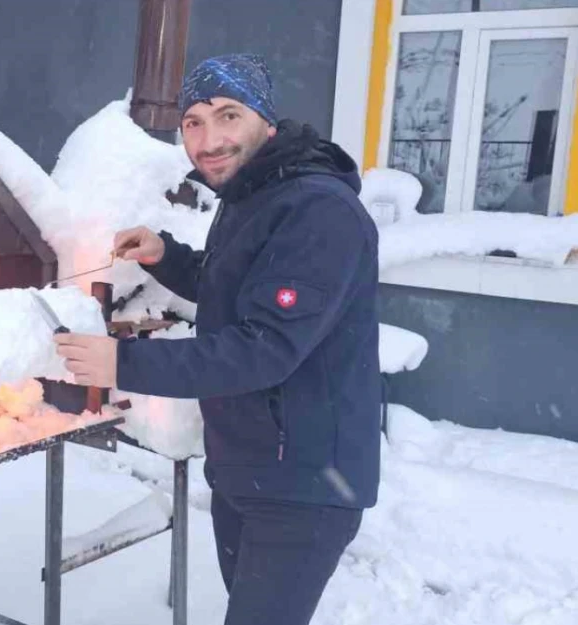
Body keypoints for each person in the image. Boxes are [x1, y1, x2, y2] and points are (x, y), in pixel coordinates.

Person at [54, 53, 380, 625]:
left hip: (302, 487)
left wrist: (122, 363)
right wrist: (166, 256)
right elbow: (238, 286)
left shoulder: (319, 211)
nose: (209, 140)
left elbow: (265, 347)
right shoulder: (257, 194)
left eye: (228, 115)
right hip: (250, 468)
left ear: (266, 123)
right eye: (194, 123)